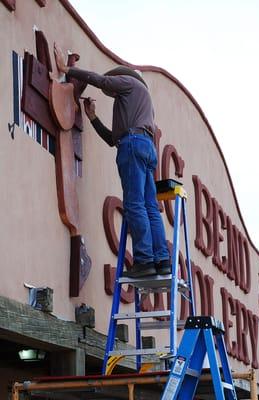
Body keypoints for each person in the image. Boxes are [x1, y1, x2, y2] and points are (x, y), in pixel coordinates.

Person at [54, 43, 171, 278]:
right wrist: (94, 117)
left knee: (135, 204)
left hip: (133, 146)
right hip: (145, 148)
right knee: (149, 207)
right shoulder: (138, 106)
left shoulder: (131, 83)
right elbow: (112, 139)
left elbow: (102, 82)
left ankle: (145, 260)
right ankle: (161, 261)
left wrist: (68, 69)